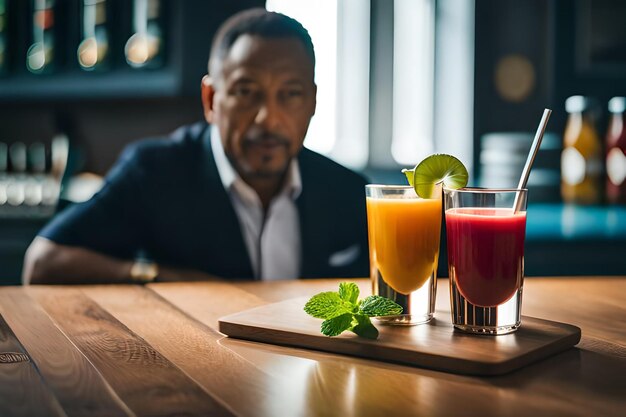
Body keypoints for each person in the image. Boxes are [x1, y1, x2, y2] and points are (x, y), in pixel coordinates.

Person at [23, 8, 369, 285]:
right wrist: (155, 275)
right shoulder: (156, 172)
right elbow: (42, 262)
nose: (269, 119)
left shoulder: (349, 191)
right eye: (246, 92)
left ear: (312, 102)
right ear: (211, 98)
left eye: (291, 94)